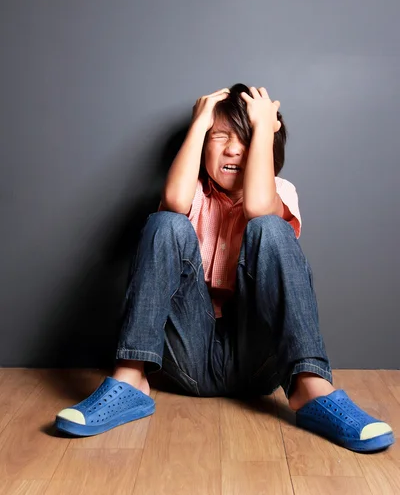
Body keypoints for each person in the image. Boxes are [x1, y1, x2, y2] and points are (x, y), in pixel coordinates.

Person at [55, 83, 395, 453]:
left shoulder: (281, 192)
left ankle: (310, 387)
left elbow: (259, 207)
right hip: (186, 356)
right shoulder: (192, 192)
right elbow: (173, 201)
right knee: (166, 222)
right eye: (220, 137)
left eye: (246, 139)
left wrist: (264, 126)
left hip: (257, 360)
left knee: (270, 227)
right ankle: (131, 379)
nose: (233, 148)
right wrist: (199, 124)